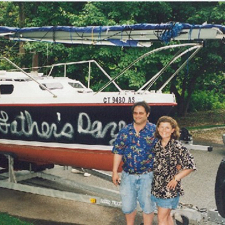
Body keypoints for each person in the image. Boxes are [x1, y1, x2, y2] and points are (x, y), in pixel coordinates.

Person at [112, 101, 157, 225]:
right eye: (135, 113)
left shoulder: (155, 131)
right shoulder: (125, 131)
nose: (138, 115)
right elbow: (118, 151)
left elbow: (163, 151)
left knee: (148, 206)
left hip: (148, 176)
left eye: (141, 113)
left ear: (147, 114)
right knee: (127, 207)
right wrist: (115, 172)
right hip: (128, 176)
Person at [151, 116, 196, 225]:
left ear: (173, 130)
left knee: (161, 219)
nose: (164, 130)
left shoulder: (177, 146)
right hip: (156, 187)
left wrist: (176, 178)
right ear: (157, 129)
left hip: (168, 190)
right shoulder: (157, 145)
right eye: (161, 127)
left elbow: (191, 165)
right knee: (167, 217)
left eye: (167, 128)